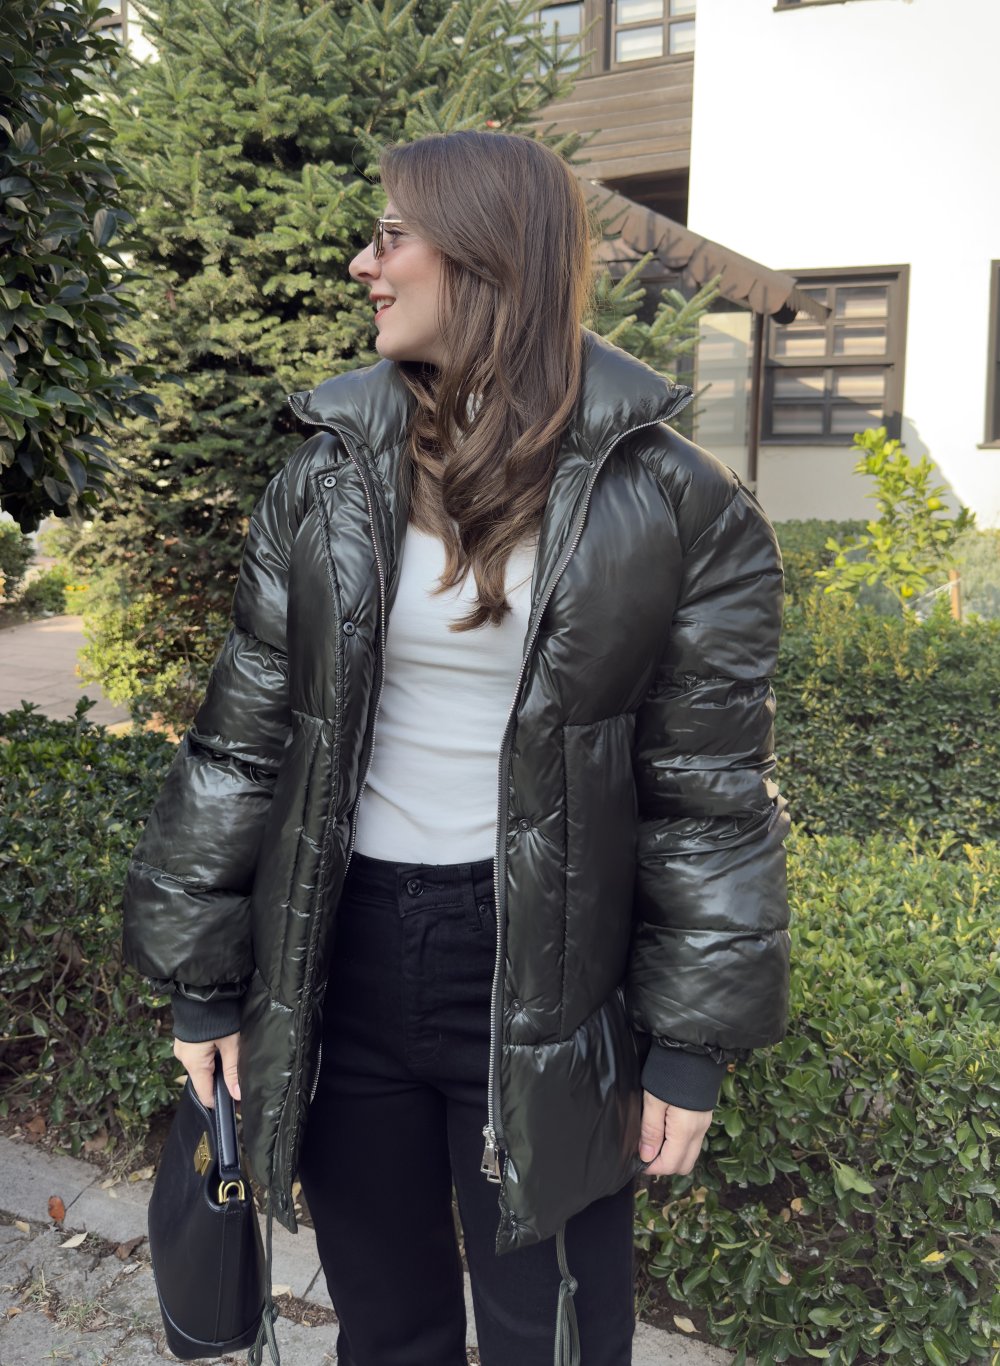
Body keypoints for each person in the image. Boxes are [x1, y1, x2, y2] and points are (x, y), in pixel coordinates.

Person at [122, 129, 790, 1366]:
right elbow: (242, 737)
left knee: (556, 1337)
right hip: (344, 949)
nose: (363, 264)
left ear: (487, 259)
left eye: (391, 236)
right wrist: (202, 977)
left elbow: (707, 793)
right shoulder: (325, 477)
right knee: (388, 1330)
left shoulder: (675, 502)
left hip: (543, 969)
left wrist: (692, 1046)